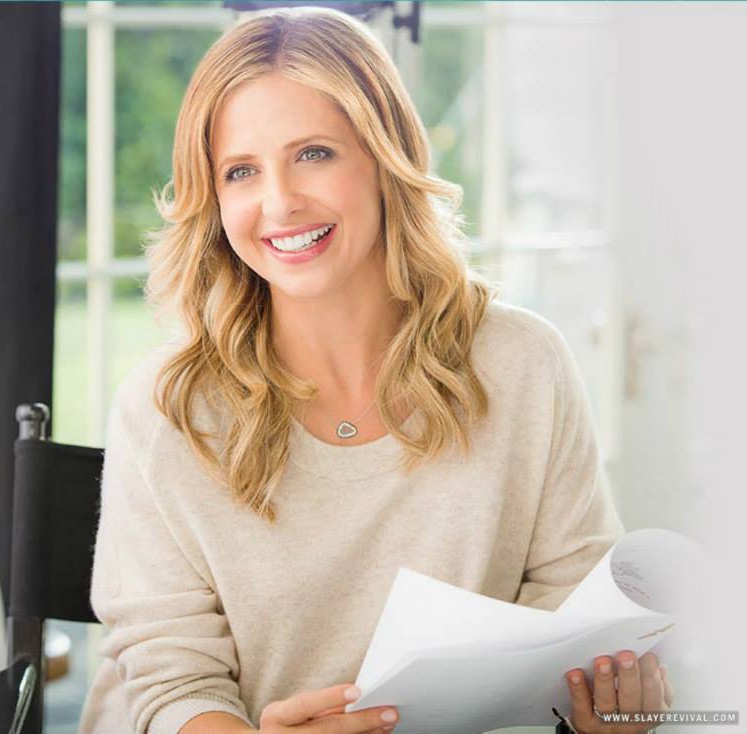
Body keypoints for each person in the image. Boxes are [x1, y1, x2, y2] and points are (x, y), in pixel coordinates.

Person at [79, 7, 674, 734]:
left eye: (314, 153)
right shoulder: (166, 407)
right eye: (241, 171)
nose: (279, 202)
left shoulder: (523, 364)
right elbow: (169, 678)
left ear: (385, 159)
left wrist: (605, 705)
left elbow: (572, 607)